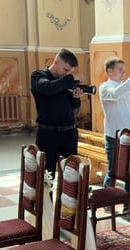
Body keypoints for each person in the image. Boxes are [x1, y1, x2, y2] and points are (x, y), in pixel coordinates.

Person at [31, 48, 83, 177]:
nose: (67, 74)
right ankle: (46, 198)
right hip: (48, 134)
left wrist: (76, 99)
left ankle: (66, 198)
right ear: (56, 62)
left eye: (70, 72)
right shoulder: (38, 76)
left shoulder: (66, 80)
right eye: (65, 70)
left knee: (71, 176)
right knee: (46, 176)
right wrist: (69, 79)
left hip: (69, 133)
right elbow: (47, 88)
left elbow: (74, 110)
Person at [98, 57, 130, 190]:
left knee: (129, 173)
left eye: (124, 71)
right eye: (120, 70)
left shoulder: (128, 89)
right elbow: (115, 94)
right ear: (110, 71)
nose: (123, 73)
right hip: (114, 137)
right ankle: (107, 200)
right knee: (112, 171)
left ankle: (127, 204)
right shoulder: (104, 87)